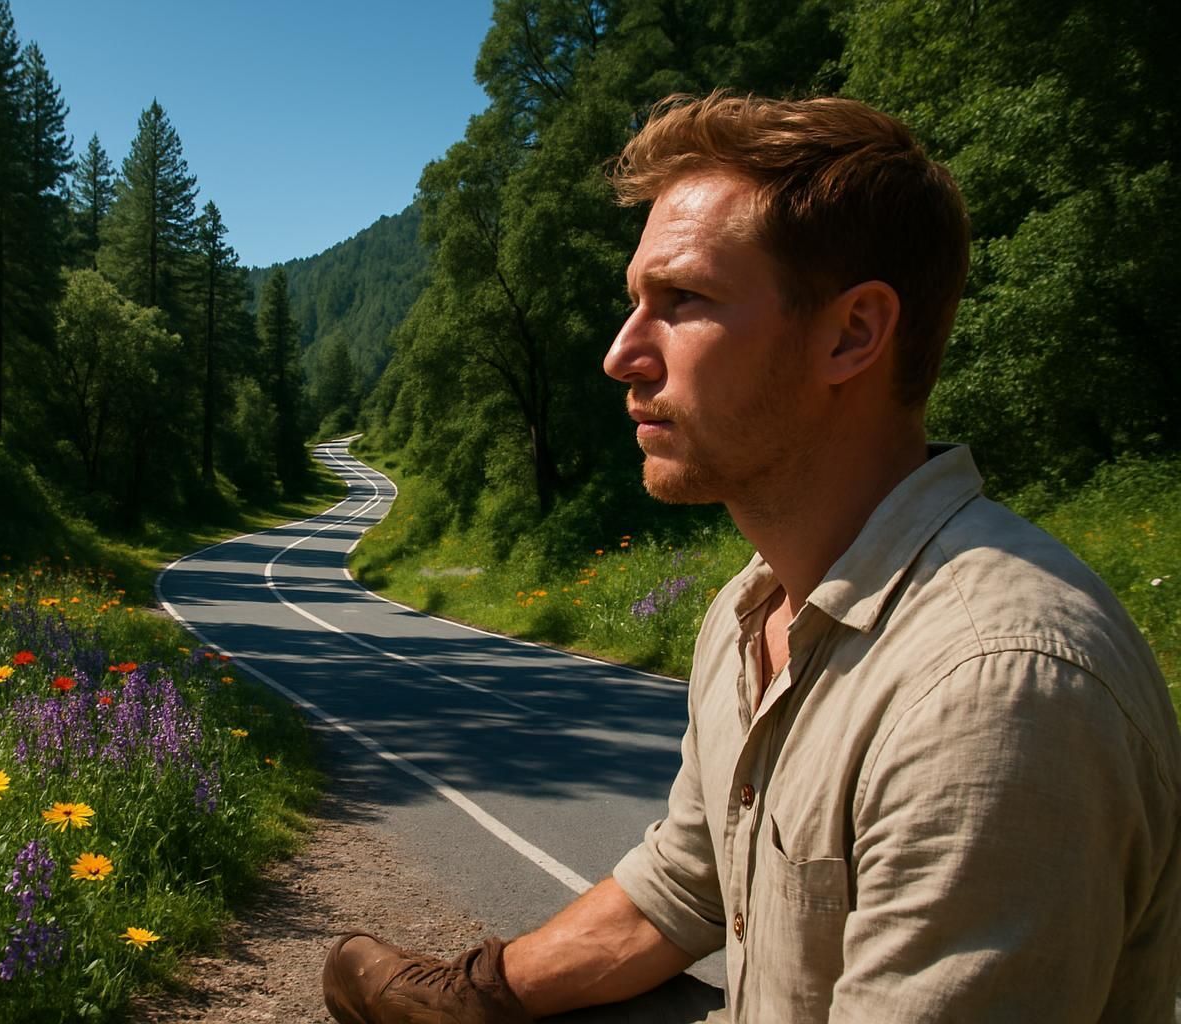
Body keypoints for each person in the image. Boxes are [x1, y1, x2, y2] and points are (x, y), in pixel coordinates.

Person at [320, 92, 1181, 1023]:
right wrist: (477, 996)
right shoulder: (754, 609)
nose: (621, 356)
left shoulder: (993, 693)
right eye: (633, 304)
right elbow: (686, 882)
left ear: (852, 333)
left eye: (682, 301)